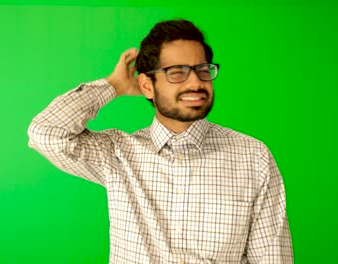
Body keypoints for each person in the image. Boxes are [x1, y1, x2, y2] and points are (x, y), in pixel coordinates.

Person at [28, 19, 293, 264]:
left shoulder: (253, 156)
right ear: (147, 86)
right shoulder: (118, 153)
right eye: (177, 72)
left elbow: (272, 258)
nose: (196, 82)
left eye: (202, 70)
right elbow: (46, 132)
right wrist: (113, 86)